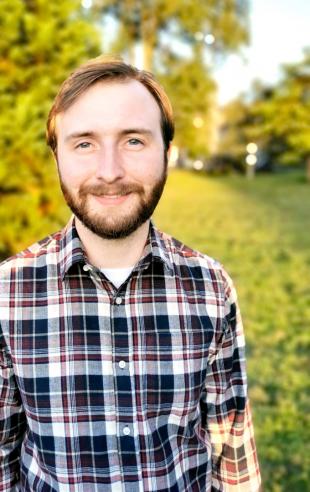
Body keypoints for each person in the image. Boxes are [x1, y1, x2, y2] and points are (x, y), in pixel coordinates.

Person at [0, 56, 261, 491]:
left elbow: (232, 457)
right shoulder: (7, 294)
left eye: (134, 141)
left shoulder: (211, 288)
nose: (109, 171)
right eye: (84, 143)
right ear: (57, 157)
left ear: (167, 151)